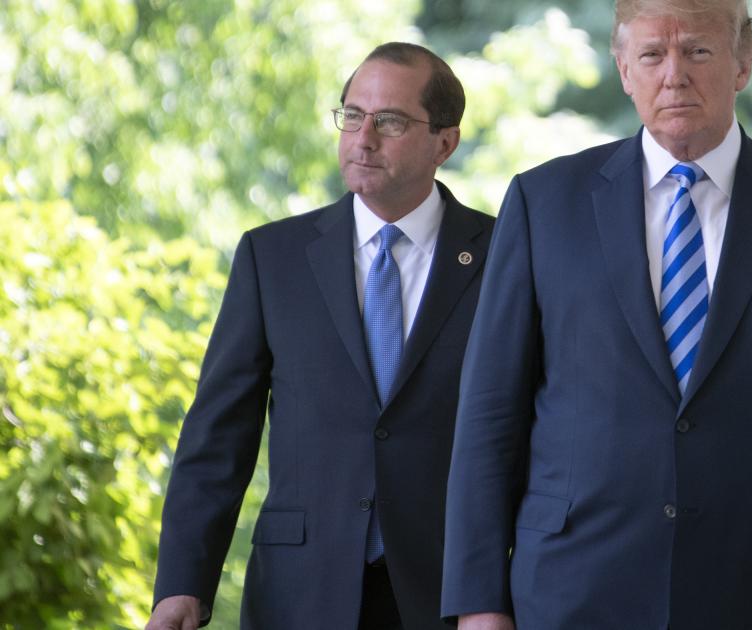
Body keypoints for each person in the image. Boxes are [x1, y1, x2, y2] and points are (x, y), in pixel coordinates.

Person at [440, 0, 752, 628]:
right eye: (651, 54)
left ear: (743, 62)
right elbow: (490, 412)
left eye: (697, 50)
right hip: (572, 589)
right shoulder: (543, 202)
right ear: (623, 69)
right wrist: (477, 601)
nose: (674, 74)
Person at [147, 42, 494, 630]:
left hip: (452, 593)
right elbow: (218, 435)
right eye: (352, 116)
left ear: (445, 142)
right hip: (298, 593)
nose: (363, 139)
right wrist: (182, 585)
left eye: (389, 121)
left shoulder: (505, 256)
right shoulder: (272, 257)